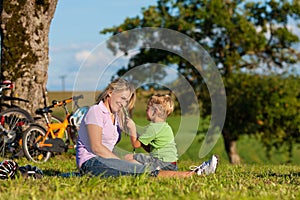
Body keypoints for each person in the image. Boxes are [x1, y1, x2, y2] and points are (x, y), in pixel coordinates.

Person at [76, 78, 218, 178]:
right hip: (91, 162)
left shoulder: (113, 117)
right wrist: (120, 163)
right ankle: (192, 175)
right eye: (123, 98)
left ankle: (194, 173)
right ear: (110, 93)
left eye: (127, 101)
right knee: (142, 171)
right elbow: (96, 147)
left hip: (104, 161)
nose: (124, 104)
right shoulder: (96, 111)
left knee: (137, 166)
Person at [124, 94, 179, 171]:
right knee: (131, 160)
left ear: (155, 111)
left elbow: (135, 145)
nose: (146, 111)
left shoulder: (153, 128)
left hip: (162, 163)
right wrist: (140, 138)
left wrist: (132, 129)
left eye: (147, 109)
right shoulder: (165, 126)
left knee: (127, 158)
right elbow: (150, 148)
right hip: (171, 164)